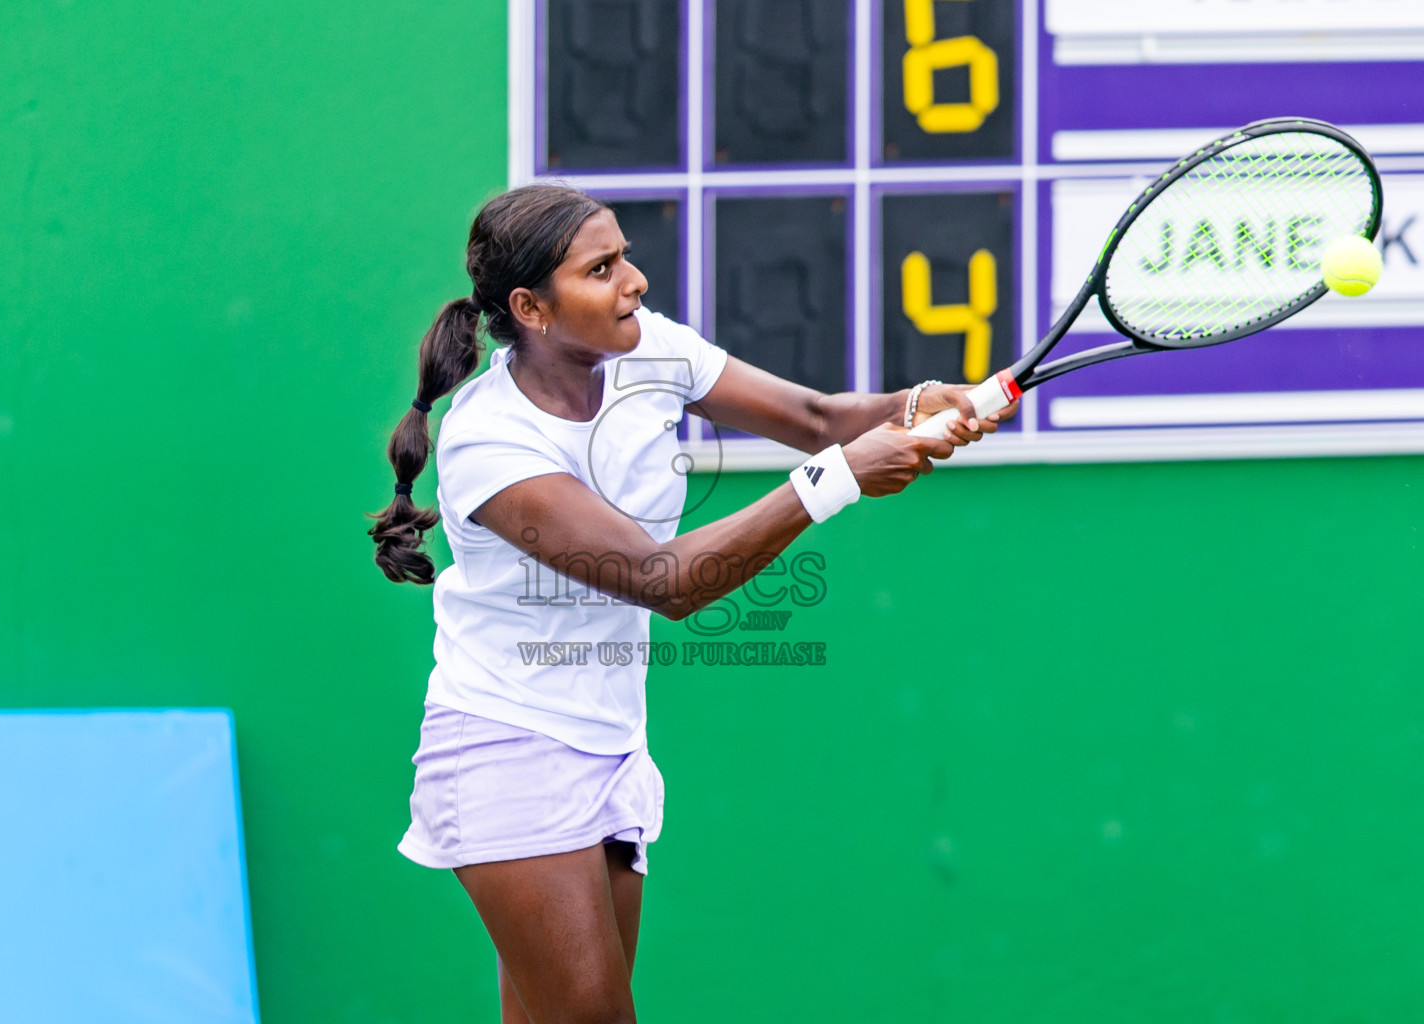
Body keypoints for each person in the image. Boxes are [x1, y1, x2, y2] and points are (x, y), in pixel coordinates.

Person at [368, 182, 1017, 1024]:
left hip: (610, 743)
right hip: (507, 745)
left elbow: (818, 416)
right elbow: (662, 581)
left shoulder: (650, 350)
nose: (634, 281)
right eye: (602, 269)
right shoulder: (491, 441)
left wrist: (916, 404)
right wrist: (842, 479)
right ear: (531, 307)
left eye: (625, 256)